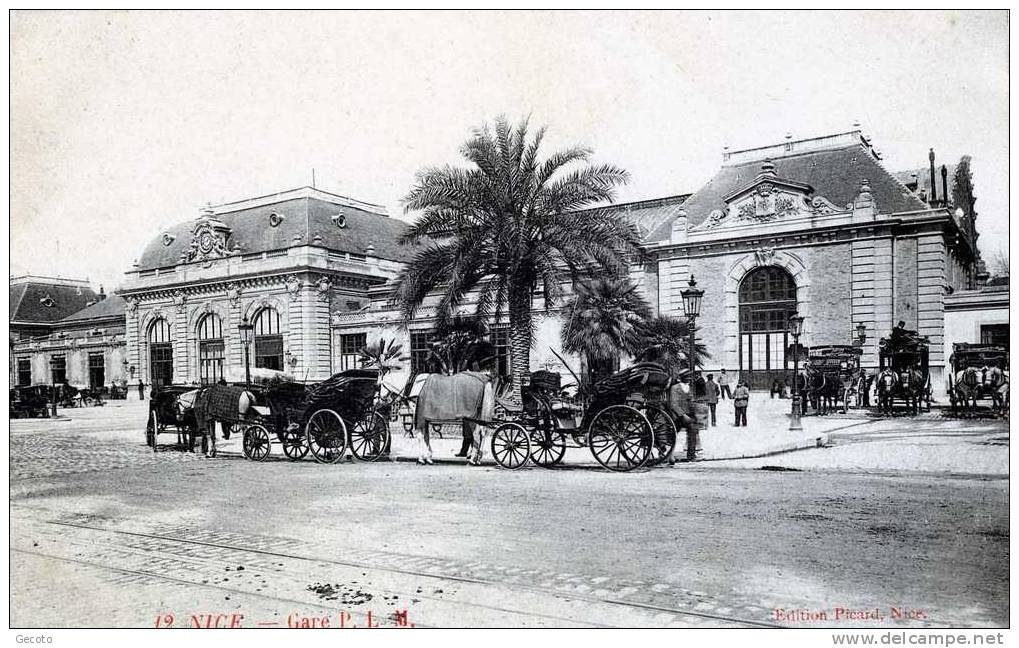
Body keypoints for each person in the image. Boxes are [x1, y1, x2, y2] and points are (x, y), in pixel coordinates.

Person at [667, 373, 700, 463]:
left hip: (689, 415)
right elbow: (673, 404)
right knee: (672, 434)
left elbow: (692, 402)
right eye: (687, 377)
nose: (689, 379)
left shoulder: (689, 388)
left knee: (693, 430)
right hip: (677, 416)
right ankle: (668, 454)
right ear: (682, 378)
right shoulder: (675, 388)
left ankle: (691, 454)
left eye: (690, 377)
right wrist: (683, 415)